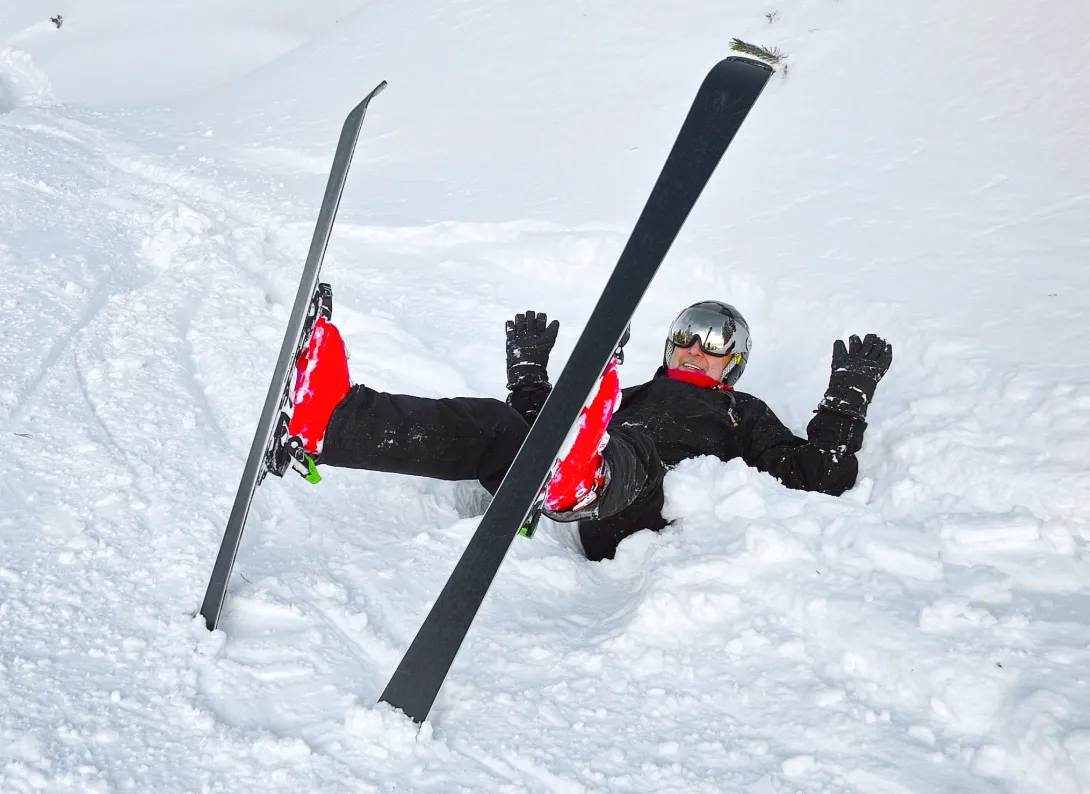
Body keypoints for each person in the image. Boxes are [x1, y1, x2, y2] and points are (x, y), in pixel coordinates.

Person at [287, 300, 892, 561]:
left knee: (632, 452)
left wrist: (846, 402)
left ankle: (585, 476)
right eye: (683, 334)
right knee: (500, 426)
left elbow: (821, 477)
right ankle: (336, 423)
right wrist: (529, 377)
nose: (691, 348)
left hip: (642, 512)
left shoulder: (741, 413)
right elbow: (536, 428)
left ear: (732, 360)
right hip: (583, 483)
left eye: (710, 342)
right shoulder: (630, 394)